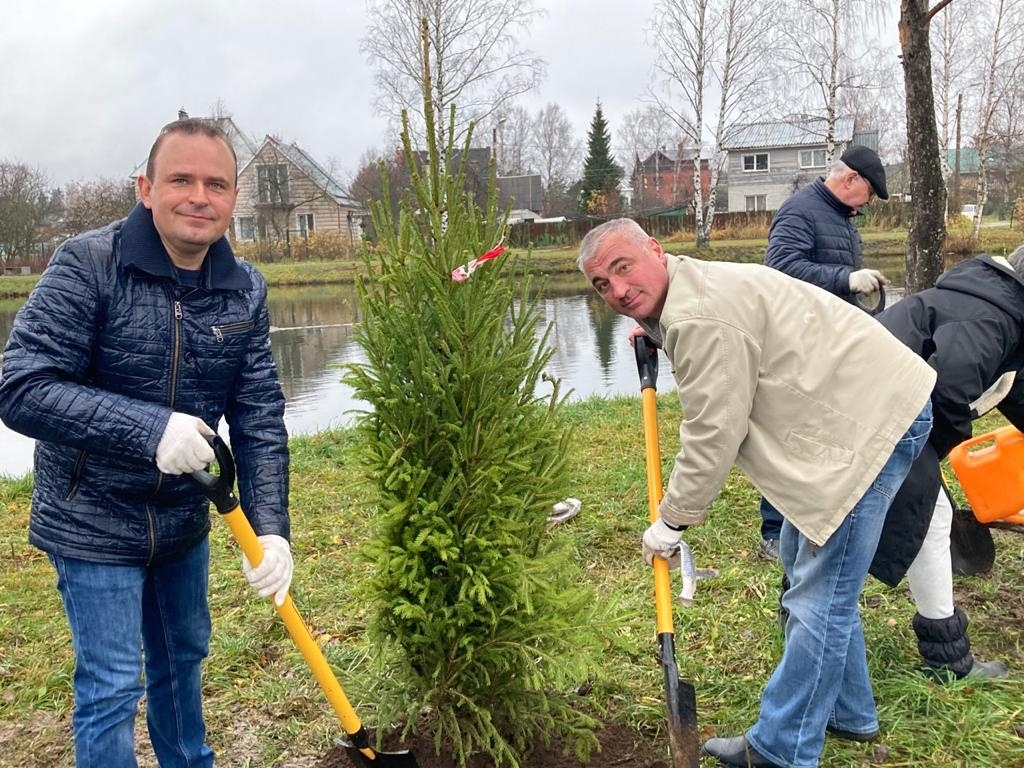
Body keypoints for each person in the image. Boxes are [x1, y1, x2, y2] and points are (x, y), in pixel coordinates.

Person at [579, 218, 934, 768]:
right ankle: (849, 709)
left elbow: (714, 432)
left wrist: (672, 521)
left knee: (821, 596)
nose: (619, 290)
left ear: (654, 248)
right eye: (602, 284)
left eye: (623, 268)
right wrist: (653, 329)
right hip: (851, 413)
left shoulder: (698, 316)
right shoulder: (686, 289)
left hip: (868, 424)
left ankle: (782, 748)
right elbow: (712, 335)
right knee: (805, 565)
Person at [0, 118, 292, 768]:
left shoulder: (245, 288)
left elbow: (260, 414)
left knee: (182, 663)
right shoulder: (87, 264)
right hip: (92, 519)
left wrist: (272, 528)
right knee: (111, 685)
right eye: (180, 179)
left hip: (183, 522)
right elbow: (20, 385)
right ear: (145, 188)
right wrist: (149, 429)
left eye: (215, 183)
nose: (198, 196)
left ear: (234, 197)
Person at [868, 247, 1024, 680]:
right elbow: (950, 389)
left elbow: (1013, 386)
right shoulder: (992, 320)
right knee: (928, 515)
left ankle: (799, 613)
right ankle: (947, 661)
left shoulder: (995, 305)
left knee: (835, 516)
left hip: (879, 404)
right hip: (872, 408)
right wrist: (935, 455)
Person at [756, 145, 892, 560]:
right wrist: (847, 279)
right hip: (797, 341)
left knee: (823, 430)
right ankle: (774, 531)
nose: (868, 203)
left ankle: (815, 514)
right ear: (850, 180)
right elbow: (778, 268)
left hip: (829, 339)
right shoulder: (800, 211)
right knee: (791, 434)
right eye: (868, 193)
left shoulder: (841, 216)